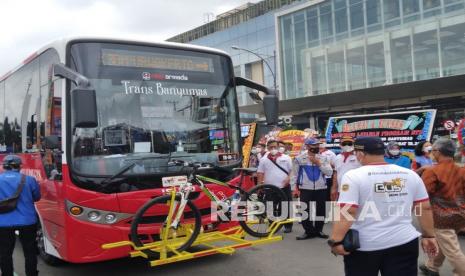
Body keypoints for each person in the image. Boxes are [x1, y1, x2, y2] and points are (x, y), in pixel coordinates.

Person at [329, 137, 438, 276]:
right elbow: (424, 207)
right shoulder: (410, 174)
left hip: (366, 245)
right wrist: (429, 236)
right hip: (404, 242)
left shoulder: (353, 176)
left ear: (360, 154)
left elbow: (348, 211)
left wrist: (336, 240)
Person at [419, 138, 465, 276]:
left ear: (437, 152)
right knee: (445, 242)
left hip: (440, 217)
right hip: (459, 214)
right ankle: (432, 266)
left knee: (452, 249)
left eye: (432, 150)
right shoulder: (461, 170)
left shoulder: (432, 172)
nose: (432, 153)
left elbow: (423, 196)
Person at [0, 155, 41, 276]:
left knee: (5, 253)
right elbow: (37, 197)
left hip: (3, 222)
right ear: (19, 166)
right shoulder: (29, 180)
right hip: (27, 221)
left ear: (4, 166)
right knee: (30, 252)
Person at [291, 138, 333, 240]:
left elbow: (329, 172)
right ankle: (308, 231)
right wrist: (293, 189)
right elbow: (294, 175)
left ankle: (319, 230)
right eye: (314, 145)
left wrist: (318, 163)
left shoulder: (324, 158)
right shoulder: (299, 158)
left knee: (321, 210)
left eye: (318, 145)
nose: (317, 147)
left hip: (321, 188)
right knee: (305, 210)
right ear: (308, 146)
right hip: (305, 188)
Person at [257, 140, 293, 233]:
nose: (273, 149)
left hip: (284, 187)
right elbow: (260, 173)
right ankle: (272, 225)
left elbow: (292, 171)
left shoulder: (286, 158)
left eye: (275, 147)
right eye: (271, 147)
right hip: (270, 187)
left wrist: (288, 179)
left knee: (285, 206)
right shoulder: (264, 159)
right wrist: (259, 186)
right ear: (267, 148)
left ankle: (287, 225)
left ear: (278, 147)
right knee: (270, 207)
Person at [331, 136, 361, 201]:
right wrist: (334, 188)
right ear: (340, 145)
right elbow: (336, 173)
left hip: (355, 190)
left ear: (354, 145)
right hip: (340, 190)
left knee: (352, 210)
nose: (347, 146)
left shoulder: (359, 157)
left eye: (350, 144)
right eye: (344, 144)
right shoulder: (337, 157)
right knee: (338, 209)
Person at [319, 136, 336, 201]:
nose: (321, 144)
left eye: (323, 142)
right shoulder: (315, 154)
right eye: (320, 142)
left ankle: (328, 210)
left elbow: (335, 167)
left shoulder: (331, 154)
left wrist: (329, 165)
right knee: (320, 198)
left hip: (328, 178)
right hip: (318, 179)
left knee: (328, 197)